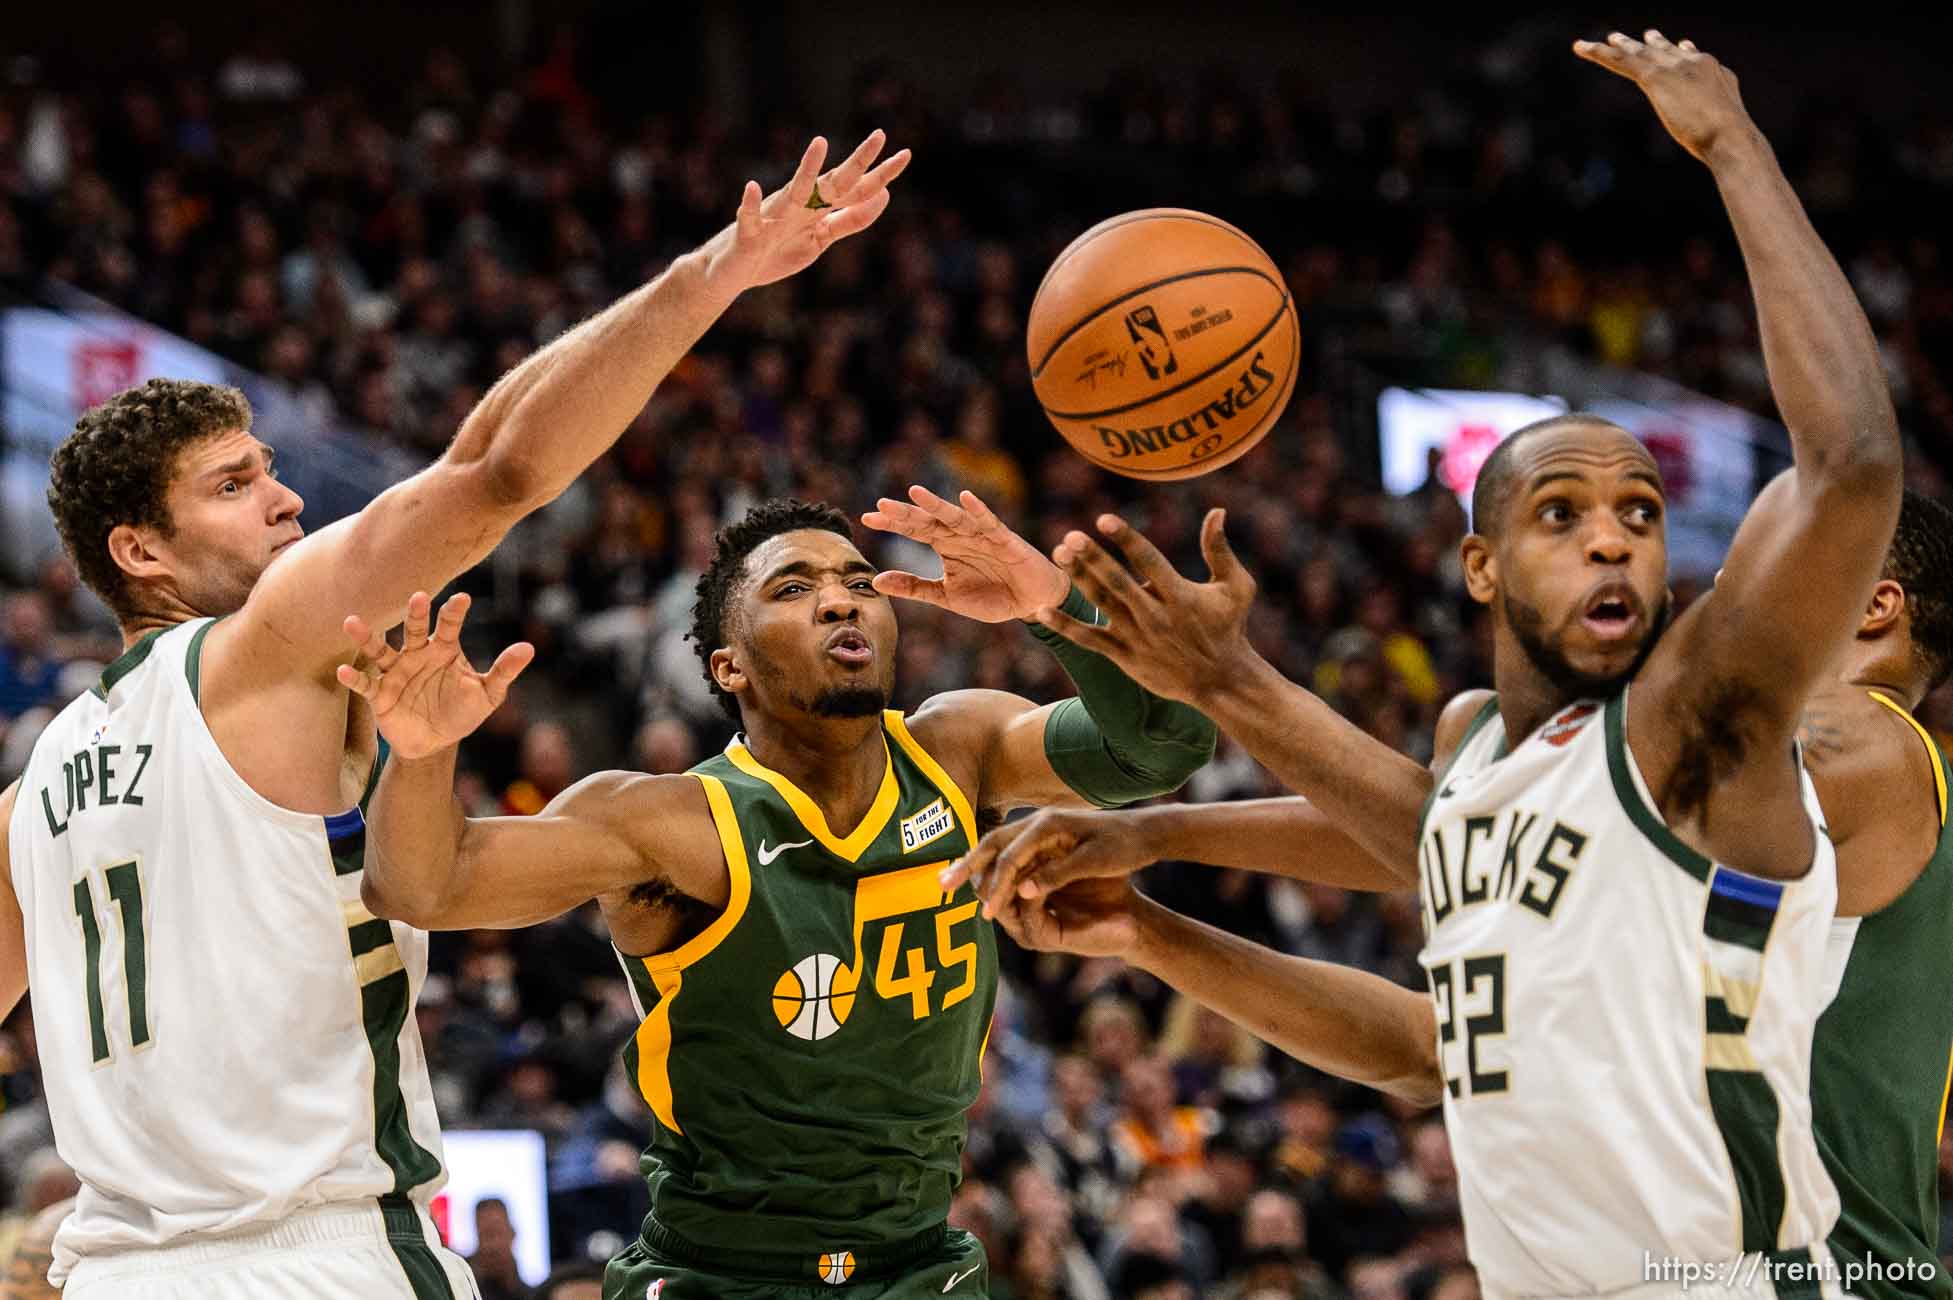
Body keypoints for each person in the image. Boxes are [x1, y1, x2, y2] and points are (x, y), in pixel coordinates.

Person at [954, 30, 1903, 1297]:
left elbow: (1850, 468)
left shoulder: (1698, 723)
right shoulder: (1487, 759)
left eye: (1641, 513)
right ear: (1480, 566)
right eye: (1561, 514)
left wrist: (1735, 147)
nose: (1613, 539)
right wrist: (1153, 913)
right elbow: (1421, 1033)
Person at [0, 129, 909, 1299]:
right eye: (233, 486)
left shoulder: (37, 787)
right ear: (141, 553)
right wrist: (716, 273)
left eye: (268, 467)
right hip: (316, 1262)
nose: (283, 498)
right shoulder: (262, 651)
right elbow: (493, 473)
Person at [969, 491, 1953, 1296]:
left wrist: (1227, 686)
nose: (1721, 590)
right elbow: (1426, 1046)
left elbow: (1467, 832)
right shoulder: (1655, 805)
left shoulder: (1862, 741)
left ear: (1873, 606)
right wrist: (1145, 911)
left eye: (1753, 572)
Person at [336, 488, 1216, 1298]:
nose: (841, 600)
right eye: (792, 588)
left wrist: (1048, 601)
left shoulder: (962, 747)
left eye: (858, 580)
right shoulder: (669, 822)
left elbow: (1161, 748)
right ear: (729, 669)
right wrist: (419, 753)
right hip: (719, 1273)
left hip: (919, 1265)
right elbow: (422, 888)